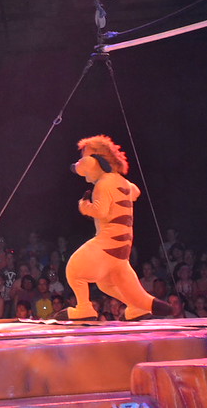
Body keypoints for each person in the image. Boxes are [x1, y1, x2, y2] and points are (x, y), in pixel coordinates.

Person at [55, 135, 171, 321]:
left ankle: (84, 308)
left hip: (108, 244)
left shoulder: (104, 183)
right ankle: (137, 307)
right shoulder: (123, 182)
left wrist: (84, 206)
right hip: (121, 251)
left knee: (74, 270)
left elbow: (100, 211)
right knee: (106, 283)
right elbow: (135, 192)